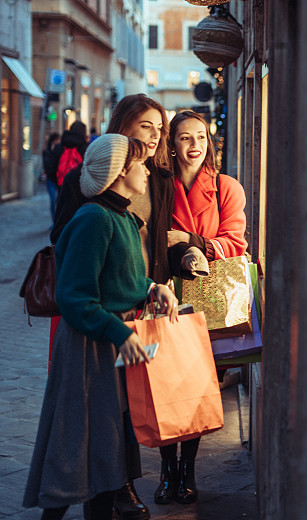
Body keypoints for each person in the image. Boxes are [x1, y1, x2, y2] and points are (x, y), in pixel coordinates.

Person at [50, 94, 203, 520]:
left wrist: (164, 275)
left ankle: (115, 487)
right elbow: (69, 247)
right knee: (89, 416)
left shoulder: (158, 180)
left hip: (134, 305)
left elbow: (155, 243)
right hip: (95, 314)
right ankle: (95, 490)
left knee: (122, 409)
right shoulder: (92, 195)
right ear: (124, 131)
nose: (156, 138)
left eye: (160, 129)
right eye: (146, 128)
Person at [22, 134, 180, 520]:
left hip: (108, 345)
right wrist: (120, 333)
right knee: (74, 442)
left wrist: (151, 288)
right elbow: (75, 297)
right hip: (87, 349)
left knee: (105, 449)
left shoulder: (123, 216)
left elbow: (117, 280)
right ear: (120, 172)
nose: (146, 170)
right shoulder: (94, 219)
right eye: (140, 164)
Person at [152, 110, 247, 505]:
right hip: (163, 297)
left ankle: (187, 468)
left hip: (208, 299)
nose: (194, 146)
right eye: (185, 138)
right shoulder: (157, 185)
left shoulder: (226, 188)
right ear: (171, 144)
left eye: (201, 138)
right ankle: (165, 468)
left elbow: (235, 244)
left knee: (193, 387)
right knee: (162, 383)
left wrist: (191, 239)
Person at [41, 132, 61, 223]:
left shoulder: (60, 150)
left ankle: (57, 221)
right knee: (53, 200)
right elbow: (45, 164)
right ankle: (54, 221)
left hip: (58, 178)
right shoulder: (46, 151)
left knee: (58, 200)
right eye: (57, 140)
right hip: (50, 178)